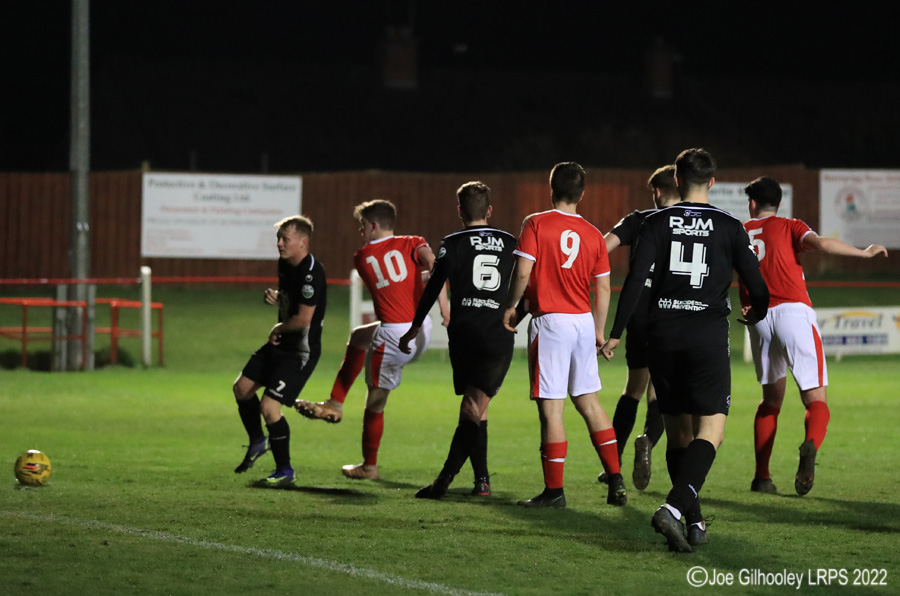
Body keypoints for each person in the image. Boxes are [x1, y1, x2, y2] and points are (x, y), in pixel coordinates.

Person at [600, 148, 769, 552]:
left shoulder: (655, 222)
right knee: (711, 431)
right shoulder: (730, 225)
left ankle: (694, 523)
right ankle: (673, 510)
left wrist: (616, 332)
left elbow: (636, 279)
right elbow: (757, 287)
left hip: (662, 337)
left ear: (676, 181)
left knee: (678, 435)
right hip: (706, 337)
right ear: (711, 182)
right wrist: (754, 310)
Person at [741, 176, 888, 496]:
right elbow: (821, 243)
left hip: (759, 318)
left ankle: (761, 478)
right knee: (815, 399)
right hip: (793, 312)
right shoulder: (790, 225)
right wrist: (864, 253)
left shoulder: (740, 231)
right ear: (777, 203)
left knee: (769, 402)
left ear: (752, 203)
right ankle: (809, 445)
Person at [502, 161, 627, 509]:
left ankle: (554, 492)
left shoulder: (536, 223)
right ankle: (615, 477)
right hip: (582, 323)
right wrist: (599, 331)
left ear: (551, 188)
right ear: (582, 194)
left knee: (552, 412)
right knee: (589, 403)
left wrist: (511, 305)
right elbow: (603, 289)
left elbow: (523, 271)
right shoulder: (592, 233)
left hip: (552, 323)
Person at [295, 199, 447, 480]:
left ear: (374, 225)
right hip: (422, 329)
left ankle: (369, 466)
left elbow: (391, 278)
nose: (360, 231)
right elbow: (433, 265)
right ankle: (335, 402)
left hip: (393, 337)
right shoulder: (414, 241)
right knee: (359, 335)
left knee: (375, 403)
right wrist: (443, 303)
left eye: (362, 225)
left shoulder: (362, 257)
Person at [399, 181, 517, 499]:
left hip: (465, 335)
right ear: (489, 211)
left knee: (471, 407)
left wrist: (413, 328)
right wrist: (520, 310)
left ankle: (444, 481)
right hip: (497, 336)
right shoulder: (510, 242)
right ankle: (481, 481)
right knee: (478, 408)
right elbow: (526, 280)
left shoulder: (452, 242)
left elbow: (435, 284)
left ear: (459, 211)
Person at [599, 165, 679, 491]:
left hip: (640, 315)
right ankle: (647, 441)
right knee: (659, 392)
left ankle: (613, 466)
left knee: (633, 389)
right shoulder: (694, 225)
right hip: (675, 317)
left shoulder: (637, 220)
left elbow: (600, 249)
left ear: (656, 192)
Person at [232, 215, 328, 486]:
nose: (279, 243)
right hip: (281, 343)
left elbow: (303, 320)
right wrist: (277, 296)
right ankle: (258, 441)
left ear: (303, 242)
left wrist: (277, 327)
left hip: (300, 351)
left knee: (269, 407)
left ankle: (285, 471)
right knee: (242, 388)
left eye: (285, 239)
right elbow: (290, 301)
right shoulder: (286, 264)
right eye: (278, 238)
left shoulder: (311, 272)